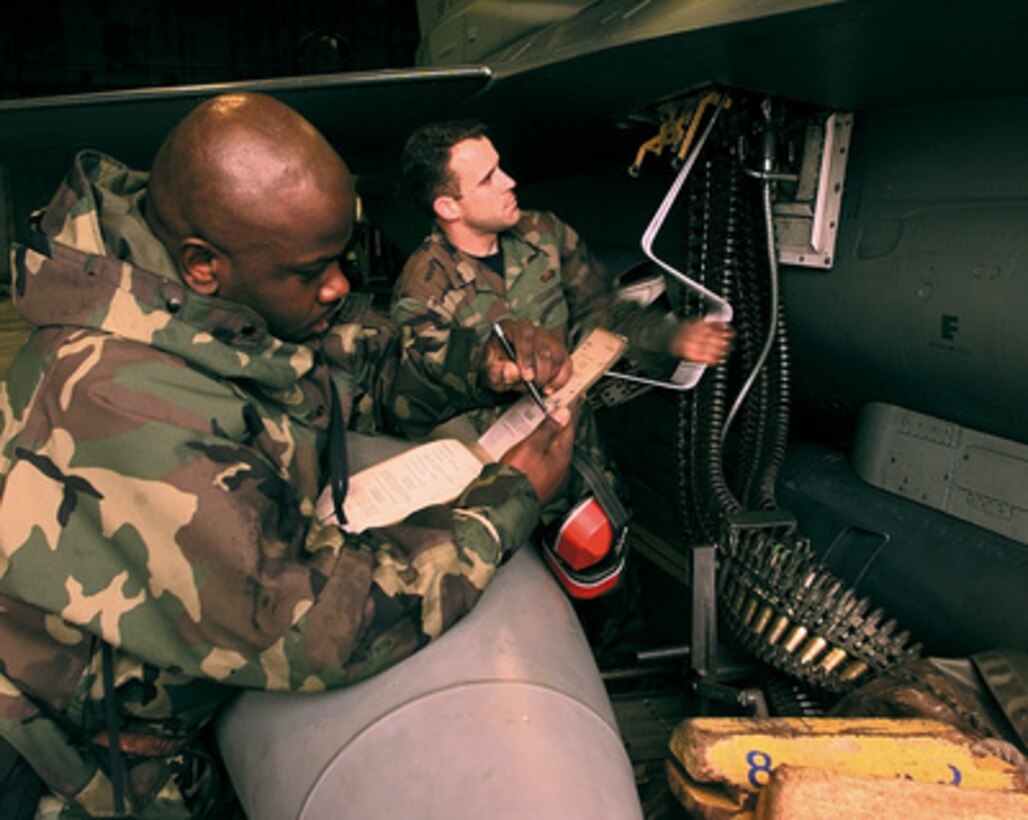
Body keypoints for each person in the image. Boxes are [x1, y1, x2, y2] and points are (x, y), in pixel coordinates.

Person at [0, 93, 576, 818]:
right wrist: (509, 497)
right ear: (203, 265)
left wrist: (479, 359)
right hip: (54, 774)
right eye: (312, 272)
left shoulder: (193, 306)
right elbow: (307, 626)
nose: (338, 287)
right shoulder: (119, 400)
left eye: (342, 258)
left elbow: (332, 374)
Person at [390, 121, 733, 630]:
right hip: (500, 489)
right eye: (488, 178)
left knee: (607, 587)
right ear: (448, 207)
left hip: (584, 462)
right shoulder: (422, 289)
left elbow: (603, 311)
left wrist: (671, 336)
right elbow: (409, 406)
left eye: (501, 167)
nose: (509, 181)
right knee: (523, 620)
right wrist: (491, 377)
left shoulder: (543, 234)